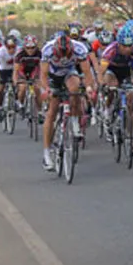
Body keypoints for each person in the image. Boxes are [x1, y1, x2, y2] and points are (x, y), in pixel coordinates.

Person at [40, 32, 93, 171]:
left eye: (67, 55)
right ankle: (46, 153)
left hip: (69, 72)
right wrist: (47, 90)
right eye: (60, 56)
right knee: (52, 111)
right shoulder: (47, 50)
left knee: (75, 89)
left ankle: (75, 120)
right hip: (53, 75)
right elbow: (43, 75)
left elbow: (87, 72)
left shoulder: (79, 48)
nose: (63, 58)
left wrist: (88, 87)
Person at [13, 35, 43, 117]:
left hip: (34, 71)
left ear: (36, 47)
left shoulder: (39, 54)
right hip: (22, 71)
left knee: (37, 89)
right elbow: (16, 71)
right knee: (22, 87)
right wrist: (15, 82)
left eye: (33, 47)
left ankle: (40, 112)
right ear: (24, 47)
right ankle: (21, 104)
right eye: (28, 48)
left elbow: (42, 69)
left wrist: (41, 80)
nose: (30, 50)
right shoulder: (20, 54)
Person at [0, 38, 18, 121]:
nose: (11, 50)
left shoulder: (18, 50)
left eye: (13, 47)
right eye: (9, 47)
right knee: (0, 89)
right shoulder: (1, 51)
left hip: (13, 70)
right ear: (5, 47)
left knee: (17, 86)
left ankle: (16, 102)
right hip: (3, 70)